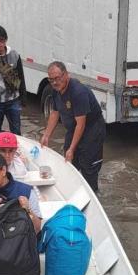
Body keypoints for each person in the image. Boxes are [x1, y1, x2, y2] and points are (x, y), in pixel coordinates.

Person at [40, 61, 106, 192]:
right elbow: (55, 112)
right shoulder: (55, 89)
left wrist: (72, 148)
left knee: (88, 165)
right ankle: (73, 190)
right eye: (51, 79)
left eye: (57, 78)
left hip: (92, 129)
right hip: (73, 127)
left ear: (66, 75)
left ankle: (93, 193)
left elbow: (81, 124)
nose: (54, 82)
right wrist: (46, 135)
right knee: (69, 161)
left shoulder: (78, 92)